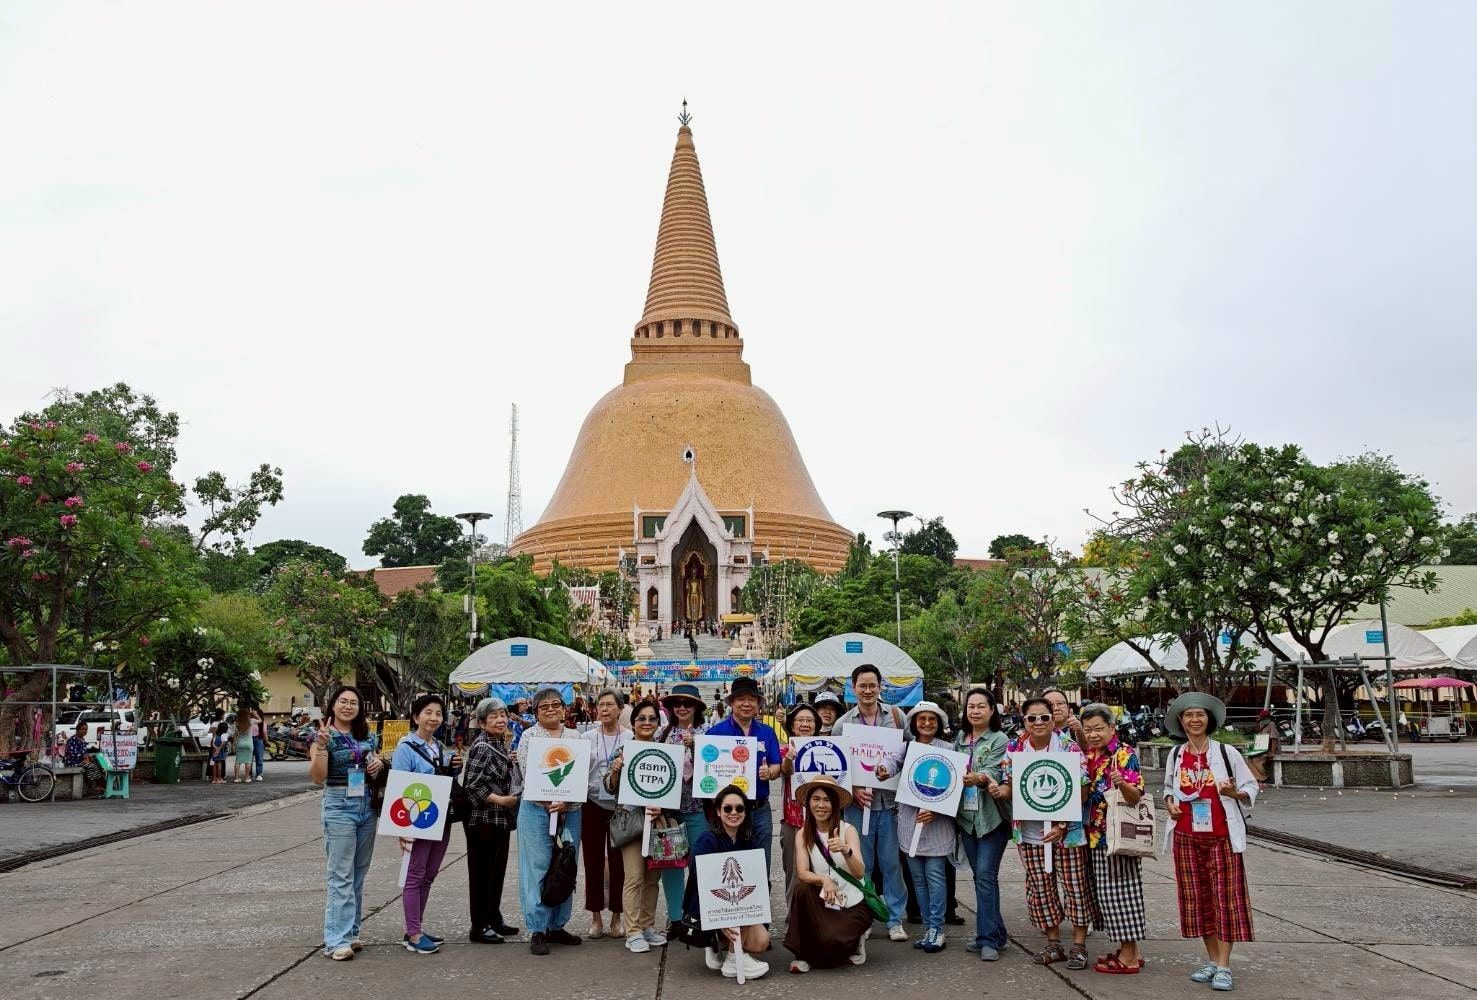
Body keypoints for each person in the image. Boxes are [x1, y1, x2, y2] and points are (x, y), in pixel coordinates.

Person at [1162, 692, 1259, 992]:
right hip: (1186, 837)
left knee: (1225, 901)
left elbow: (1251, 788)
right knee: (1199, 901)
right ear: (1181, 721)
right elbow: (1168, 788)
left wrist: (1233, 794)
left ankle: (1225, 966)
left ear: (1209, 720)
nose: (1194, 720)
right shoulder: (1176, 755)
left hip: (1221, 838)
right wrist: (1169, 803)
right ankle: (1213, 960)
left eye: (1200, 715)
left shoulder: (1227, 753)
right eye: (1189, 715)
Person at [998, 695, 1092, 969]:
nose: (1038, 723)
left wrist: (1062, 823)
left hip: (1067, 833)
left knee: (1075, 886)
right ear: (1024, 721)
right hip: (1029, 833)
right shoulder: (1015, 748)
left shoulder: (1069, 748)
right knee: (1041, 889)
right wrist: (997, 789)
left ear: (1054, 718)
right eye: (1031, 718)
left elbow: (1084, 789)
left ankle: (1078, 945)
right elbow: (1009, 786)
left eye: (1044, 717)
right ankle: (1053, 944)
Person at [831, 663, 909, 942]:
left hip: (888, 806)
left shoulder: (897, 717)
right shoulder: (843, 724)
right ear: (853, 688)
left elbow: (909, 752)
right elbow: (835, 766)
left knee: (891, 865)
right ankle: (862, 918)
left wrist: (894, 771)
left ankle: (895, 918)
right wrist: (852, 789)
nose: (867, 690)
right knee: (860, 865)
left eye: (872, 685)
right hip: (855, 807)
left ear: (880, 687)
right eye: (862, 685)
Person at [308, 684, 385, 961]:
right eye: (343, 701)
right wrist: (321, 745)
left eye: (353, 702)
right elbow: (318, 777)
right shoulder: (322, 736)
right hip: (339, 805)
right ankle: (335, 940)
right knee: (340, 874)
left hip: (366, 804)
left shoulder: (367, 735)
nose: (348, 706)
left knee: (358, 872)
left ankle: (351, 932)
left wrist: (377, 765)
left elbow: (373, 762)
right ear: (333, 705)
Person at [513, 685, 585, 956]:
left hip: (571, 809)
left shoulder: (575, 736)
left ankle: (558, 924)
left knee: (565, 863)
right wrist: (549, 803)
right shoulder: (529, 737)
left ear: (564, 709)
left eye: (556, 704)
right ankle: (538, 928)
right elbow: (528, 774)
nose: (551, 709)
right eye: (544, 706)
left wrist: (566, 802)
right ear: (535, 712)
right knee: (538, 867)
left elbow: (580, 773)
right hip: (536, 810)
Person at [391, 694, 462, 954]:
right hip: (417, 819)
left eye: (438, 714)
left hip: (441, 817)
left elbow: (444, 780)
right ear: (415, 717)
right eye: (428, 712)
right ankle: (413, 933)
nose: (433, 718)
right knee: (415, 875)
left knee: (429, 874)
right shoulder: (406, 747)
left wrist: (455, 766)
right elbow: (399, 788)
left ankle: (415, 926)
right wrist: (403, 829)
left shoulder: (440, 747)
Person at [1079, 702, 1147, 975]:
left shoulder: (1123, 754)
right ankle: (1130, 950)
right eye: (1088, 729)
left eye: (1098, 728)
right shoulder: (1088, 754)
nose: (1093, 734)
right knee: (1106, 896)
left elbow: (1136, 796)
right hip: (1094, 835)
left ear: (1112, 727)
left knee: (1122, 894)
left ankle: (1129, 957)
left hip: (1117, 837)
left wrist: (1122, 783)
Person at [683, 784, 771, 980]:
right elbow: (700, 885)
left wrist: (758, 912)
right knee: (737, 902)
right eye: (727, 808)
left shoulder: (749, 839)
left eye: (739, 808)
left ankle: (733, 953)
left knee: (761, 942)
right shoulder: (707, 840)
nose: (734, 813)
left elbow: (759, 881)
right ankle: (726, 951)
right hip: (709, 906)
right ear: (718, 811)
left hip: (739, 904)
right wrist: (719, 920)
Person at [784, 776, 871, 973]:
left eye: (827, 800)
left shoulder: (848, 831)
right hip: (824, 899)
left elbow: (859, 872)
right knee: (801, 889)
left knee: (833, 943)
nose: (821, 805)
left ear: (835, 804)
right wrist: (824, 879)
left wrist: (846, 850)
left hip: (852, 903)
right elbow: (803, 872)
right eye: (816, 799)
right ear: (808, 803)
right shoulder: (803, 833)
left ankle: (856, 939)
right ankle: (803, 954)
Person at [605, 700, 669, 954]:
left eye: (651, 719)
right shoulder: (623, 750)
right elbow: (609, 787)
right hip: (630, 821)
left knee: (653, 878)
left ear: (657, 723)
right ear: (633, 723)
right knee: (634, 876)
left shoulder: (664, 751)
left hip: (656, 821)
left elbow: (670, 787)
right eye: (641, 718)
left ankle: (647, 925)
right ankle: (632, 931)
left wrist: (662, 807)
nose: (646, 723)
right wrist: (616, 770)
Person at [893, 702, 956, 953]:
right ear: (914, 722)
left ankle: (938, 929)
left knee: (935, 877)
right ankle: (928, 928)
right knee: (918, 881)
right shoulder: (907, 748)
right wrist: (882, 769)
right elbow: (891, 762)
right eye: (922, 719)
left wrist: (937, 809)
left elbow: (955, 788)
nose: (927, 723)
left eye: (932, 719)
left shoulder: (949, 750)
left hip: (937, 825)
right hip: (910, 821)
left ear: (939, 723)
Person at [953, 686, 1010, 961]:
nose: (974, 711)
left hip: (991, 820)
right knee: (981, 879)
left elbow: (995, 770)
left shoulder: (1000, 739)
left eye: (980, 706)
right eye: (970, 706)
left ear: (991, 710)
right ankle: (997, 933)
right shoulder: (960, 739)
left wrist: (979, 777)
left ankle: (986, 939)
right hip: (967, 820)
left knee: (986, 877)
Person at [704, 676, 782, 875]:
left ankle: (761, 903)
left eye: (751, 699)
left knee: (760, 863)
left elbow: (777, 766)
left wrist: (770, 772)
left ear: (758, 704)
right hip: (728, 811)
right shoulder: (715, 733)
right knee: (727, 863)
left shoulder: (767, 732)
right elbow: (706, 771)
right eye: (740, 699)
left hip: (759, 809)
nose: (746, 704)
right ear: (731, 702)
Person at [461, 696, 519, 944]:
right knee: (482, 874)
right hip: (483, 820)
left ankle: (494, 918)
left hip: (499, 820)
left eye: (502, 715)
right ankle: (479, 925)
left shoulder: (499, 743)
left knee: (496, 872)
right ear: (482, 722)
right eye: (493, 716)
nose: (500, 720)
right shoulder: (482, 746)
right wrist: (500, 800)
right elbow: (471, 786)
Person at [658, 683, 709, 929]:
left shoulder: (708, 732)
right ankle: (676, 918)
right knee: (671, 867)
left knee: (700, 863)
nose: (681, 708)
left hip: (698, 809)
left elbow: (716, 768)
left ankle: (698, 913)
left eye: (687, 703)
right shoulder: (662, 733)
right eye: (676, 704)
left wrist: (695, 745)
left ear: (696, 707)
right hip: (669, 811)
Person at [581, 688, 628, 940]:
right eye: (601, 705)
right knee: (593, 861)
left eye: (610, 705)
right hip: (592, 804)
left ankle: (617, 917)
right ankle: (596, 916)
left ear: (620, 709)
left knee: (619, 863)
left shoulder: (629, 737)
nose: (605, 709)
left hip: (619, 808)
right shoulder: (586, 737)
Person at [779, 702, 822, 895]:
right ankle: (793, 921)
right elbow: (785, 770)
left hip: (823, 822)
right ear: (792, 725)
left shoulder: (826, 748)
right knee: (794, 874)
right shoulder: (784, 749)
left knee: (822, 872)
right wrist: (789, 758)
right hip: (793, 821)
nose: (805, 724)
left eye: (810, 720)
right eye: (800, 720)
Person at [233, 708, 254, 783]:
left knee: (238, 761)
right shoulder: (251, 721)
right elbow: (260, 720)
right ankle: (247, 778)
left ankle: (236, 778)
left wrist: (234, 744)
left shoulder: (237, 723)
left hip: (240, 743)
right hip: (249, 743)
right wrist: (254, 714)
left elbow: (235, 735)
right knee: (248, 761)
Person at [251, 708, 266, 781]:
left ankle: (259, 774)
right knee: (249, 758)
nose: (254, 715)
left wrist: (266, 741)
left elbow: (264, 732)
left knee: (259, 757)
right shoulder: (251, 721)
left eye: (256, 714)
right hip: (249, 739)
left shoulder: (262, 723)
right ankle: (249, 773)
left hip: (258, 739)